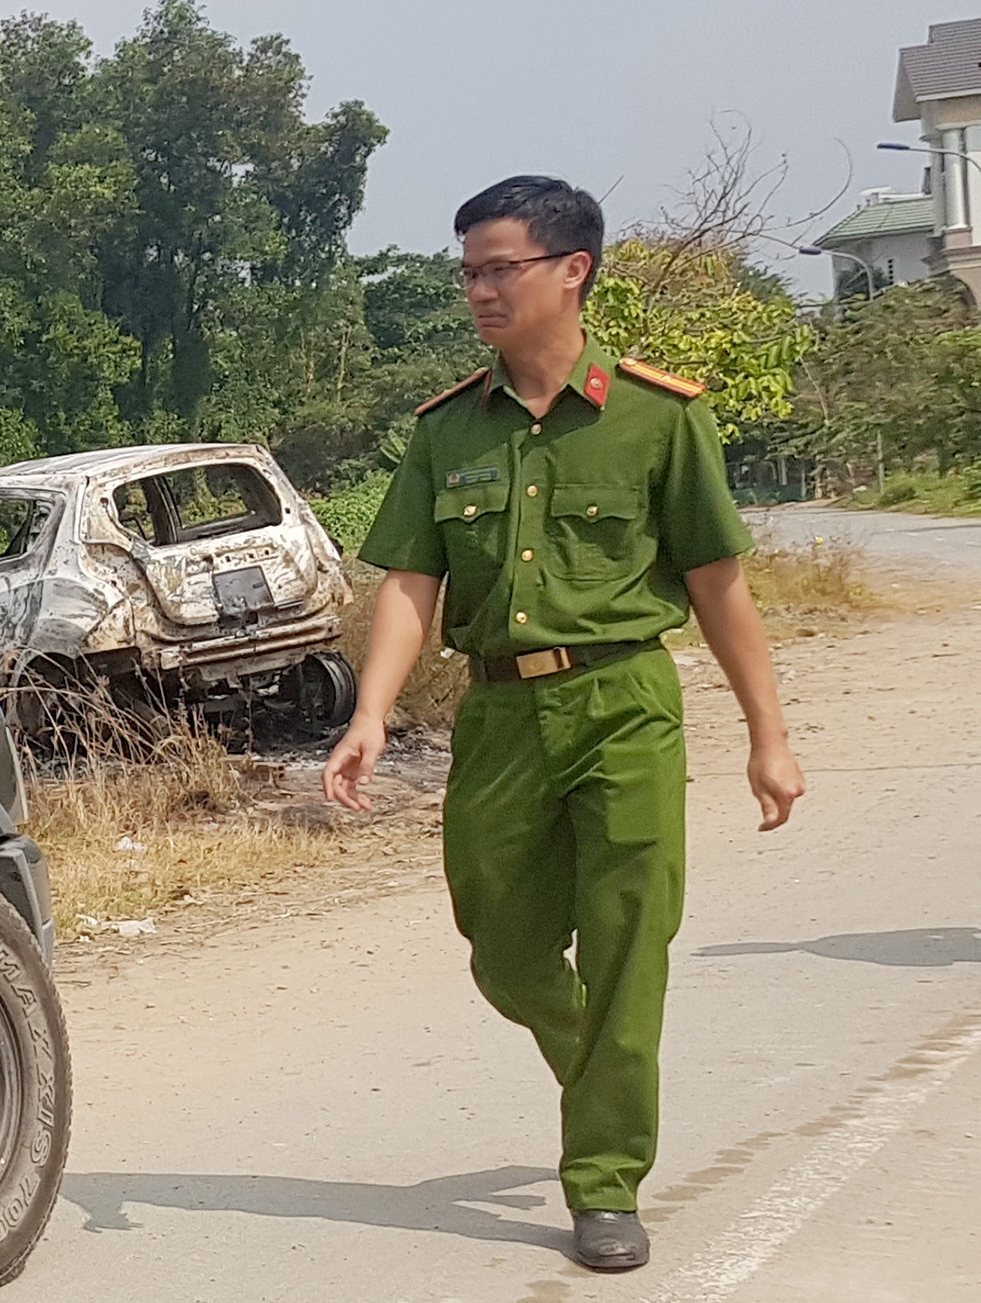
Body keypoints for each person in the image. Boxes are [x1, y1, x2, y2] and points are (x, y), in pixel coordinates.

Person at [322, 175, 806, 1271]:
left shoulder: (658, 416)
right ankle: (605, 1068)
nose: (479, 291)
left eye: (501, 268)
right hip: (497, 714)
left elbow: (720, 586)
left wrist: (766, 734)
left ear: (571, 270)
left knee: (630, 942)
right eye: (470, 273)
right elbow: (408, 581)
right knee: (502, 947)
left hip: (624, 702)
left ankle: (603, 1177)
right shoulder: (448, 430)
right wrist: (372, 711)